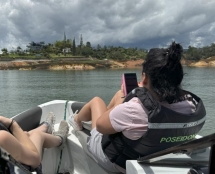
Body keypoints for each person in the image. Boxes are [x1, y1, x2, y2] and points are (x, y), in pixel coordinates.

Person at [68, 42, 206, 173]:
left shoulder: (134, 109)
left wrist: (124, 99)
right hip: (156, 156)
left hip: (116, 163)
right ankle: (113, 116)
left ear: (144, 78)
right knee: (119, 96)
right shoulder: (190, 105)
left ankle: (76, 121)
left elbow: (100, 127)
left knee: (97, 101)